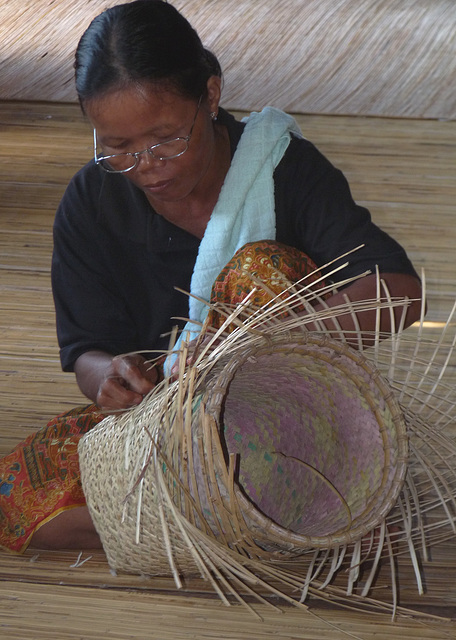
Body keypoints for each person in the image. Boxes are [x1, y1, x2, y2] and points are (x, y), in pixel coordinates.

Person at [0, 0, 422, 554]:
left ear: (211, 95)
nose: (146, 165)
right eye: (118, 148)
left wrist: (257, 344)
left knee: (259, 271)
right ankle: (259, 527)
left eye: (166, 138)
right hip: (171, 438)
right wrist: (110, 376)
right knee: (14, 496)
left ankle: (229, 519)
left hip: (289, 429)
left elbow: (400, 292)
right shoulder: (92, 200)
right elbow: (89, 350)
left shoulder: (282, 170)